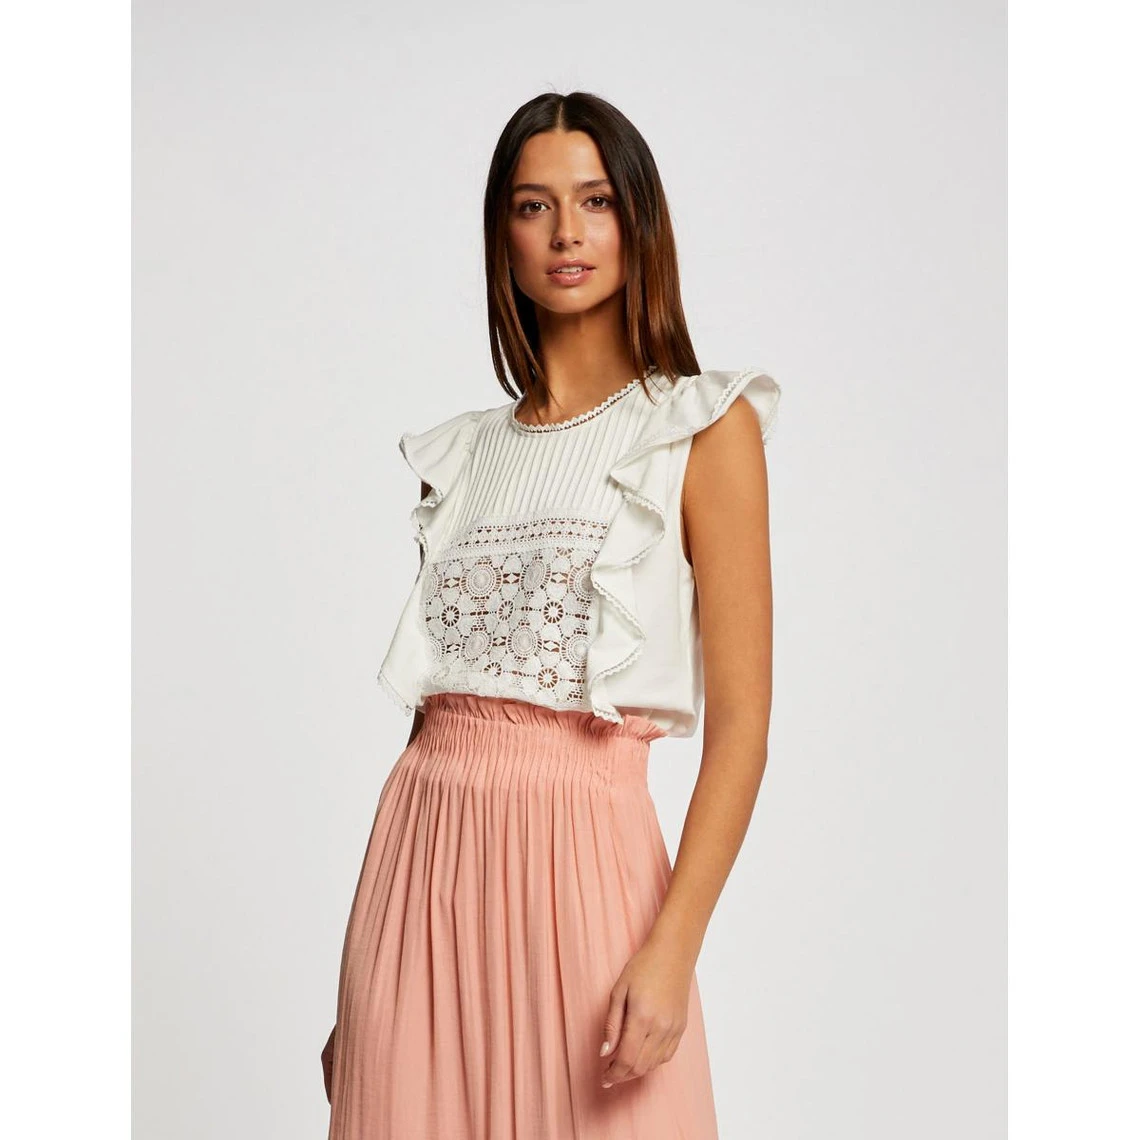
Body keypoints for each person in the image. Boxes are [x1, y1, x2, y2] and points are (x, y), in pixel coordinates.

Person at [322, 90, 780, 1140]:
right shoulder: (462, 455)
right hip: (420, 867)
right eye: (534, 206)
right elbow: (436, 714)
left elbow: (744, 732)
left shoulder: (701, 430)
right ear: (504, 236)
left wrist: (673, 950)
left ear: (638, 221)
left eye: (596, 201)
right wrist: (361, 978)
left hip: (585, 862)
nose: (567, 232)